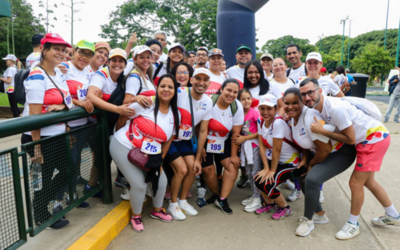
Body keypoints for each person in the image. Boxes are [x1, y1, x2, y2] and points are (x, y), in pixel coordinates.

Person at [300, 78, 400, 240]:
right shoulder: (322, 108)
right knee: (368, 181)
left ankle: (353, 224)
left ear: (320, 91)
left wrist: (322, 131)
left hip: (372, 139)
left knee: (355, 183)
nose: (307, 97)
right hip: (371, 138)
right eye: (303, 94)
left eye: (310, 92)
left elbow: (350, 139)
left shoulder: (335, 109)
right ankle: (393, 215)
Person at [111, 74, 180, 232]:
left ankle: (157, 210)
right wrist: (135, 99)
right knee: (139, 185)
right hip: (123, 145)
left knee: (161, 181)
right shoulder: (146, 103)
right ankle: (136, 216)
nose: (166, 90)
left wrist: (160, 160)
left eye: (170, 87)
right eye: (162, 86)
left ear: (175, 91)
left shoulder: (175, 113)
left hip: (149, 153)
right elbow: (123, 116)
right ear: (157, 88)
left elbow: (169, 138)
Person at [21, 33, 74, 230]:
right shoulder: (36, 75)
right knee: (44, 177)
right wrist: (37, 148)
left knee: (70, 169)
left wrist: (61, 106)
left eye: (63, 50)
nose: (61, 53)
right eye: (56, 49)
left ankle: (41, 205)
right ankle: (41, 213)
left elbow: (67, 99)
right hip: (40, 138)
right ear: (44, 50)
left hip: (57, 134)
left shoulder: (58, 73)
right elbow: (34, 115)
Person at [164, 68, 213, 220]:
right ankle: (173, 204)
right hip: (168, 139)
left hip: (184, 140)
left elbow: (203, 131)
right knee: (181, 169)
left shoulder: (208, 101)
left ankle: (183, 200)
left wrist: (198, 158)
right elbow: (158, 99)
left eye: (205, 80)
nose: (201, 82)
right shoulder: (179, 92)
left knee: (193, 168)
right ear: (191, 80)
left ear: (209, 83)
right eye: (198, 78)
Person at [85, 48, 136, 194]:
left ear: (126, 64)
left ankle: (106, 182)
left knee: (110, 155)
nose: (117, 64)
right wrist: (117, 109)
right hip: (97, 125)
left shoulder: (124, 79)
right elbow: (91, 97)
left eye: (121, 61)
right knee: (102, 157)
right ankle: (92, 185)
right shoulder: (100, 75)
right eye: (114, 60)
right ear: (108, 62)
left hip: (113, 123)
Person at [54, 39, 96, 214]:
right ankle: (56, 201)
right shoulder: (63, 68)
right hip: (66, 127)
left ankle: (71, 194)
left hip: (82, 125)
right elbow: (57, 94)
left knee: (76, 161)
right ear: (75, 51)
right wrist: (79, 102)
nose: (84, 57)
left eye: (89, 54)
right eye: (82, 52)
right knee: (66, 165)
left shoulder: (88, 72)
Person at [199, 79, 244, 214]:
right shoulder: (208, 101)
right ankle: (216, 194)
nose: (231, 94)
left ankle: (222, 198)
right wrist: (200, 146)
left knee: (232, 166)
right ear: (221, 89)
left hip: (224, 140)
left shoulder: (237, 106)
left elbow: (236, 133)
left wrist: (235, 155)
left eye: (235, 92)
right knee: (207, 169)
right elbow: (199, 126)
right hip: (205, 139)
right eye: (228, 90)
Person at [254, 93, 301, 220]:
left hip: (291, 163)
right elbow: (262, 145)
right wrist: (265, 168)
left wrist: (272, 170)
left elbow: (277, 149)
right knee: (258, 180)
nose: (265, 112)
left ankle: (285, 208)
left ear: (276, 109)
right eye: (262, 108)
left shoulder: (278, 123)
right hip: (276, 161)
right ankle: (270, 204)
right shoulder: (260, 121)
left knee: (268, 183)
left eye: (269, 108)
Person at [234, 89, 262, 212]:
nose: (246, 101)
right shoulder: (238, 113)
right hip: (245, 146)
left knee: (255, 171)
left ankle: (257, 199)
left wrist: (245, 138)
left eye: (248, 98)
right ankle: (254, 194)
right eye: (243, 99)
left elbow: (261, 131)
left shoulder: (254, 112)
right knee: (249, 171)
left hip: (254, 145)